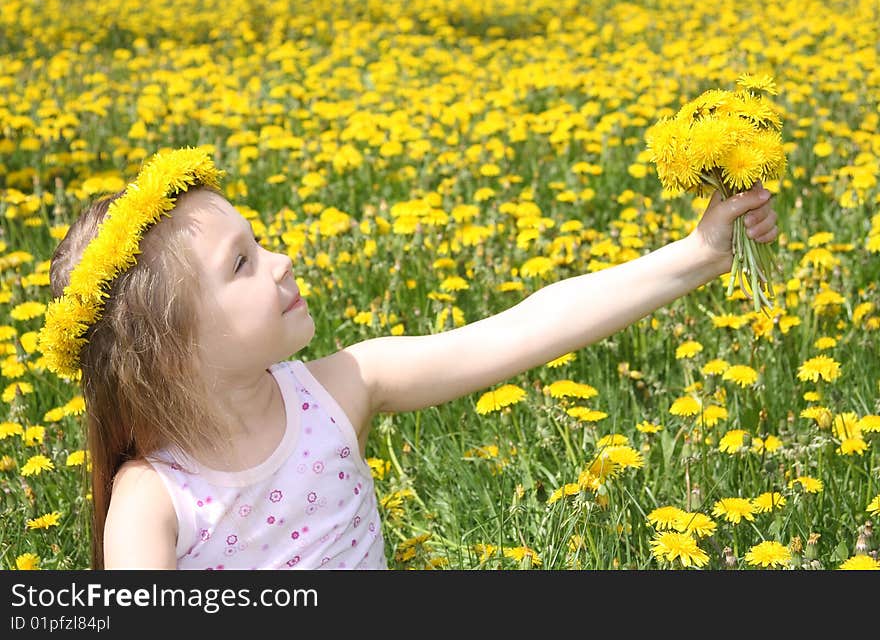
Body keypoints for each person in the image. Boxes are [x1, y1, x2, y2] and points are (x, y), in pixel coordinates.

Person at [40, 146, 778, 570]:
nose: (282, 260)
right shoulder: (152, 501)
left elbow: (523, 329)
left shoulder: (341, 391)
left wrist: (700, 253)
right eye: (242, 263)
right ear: (170, 353)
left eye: (260, 242)